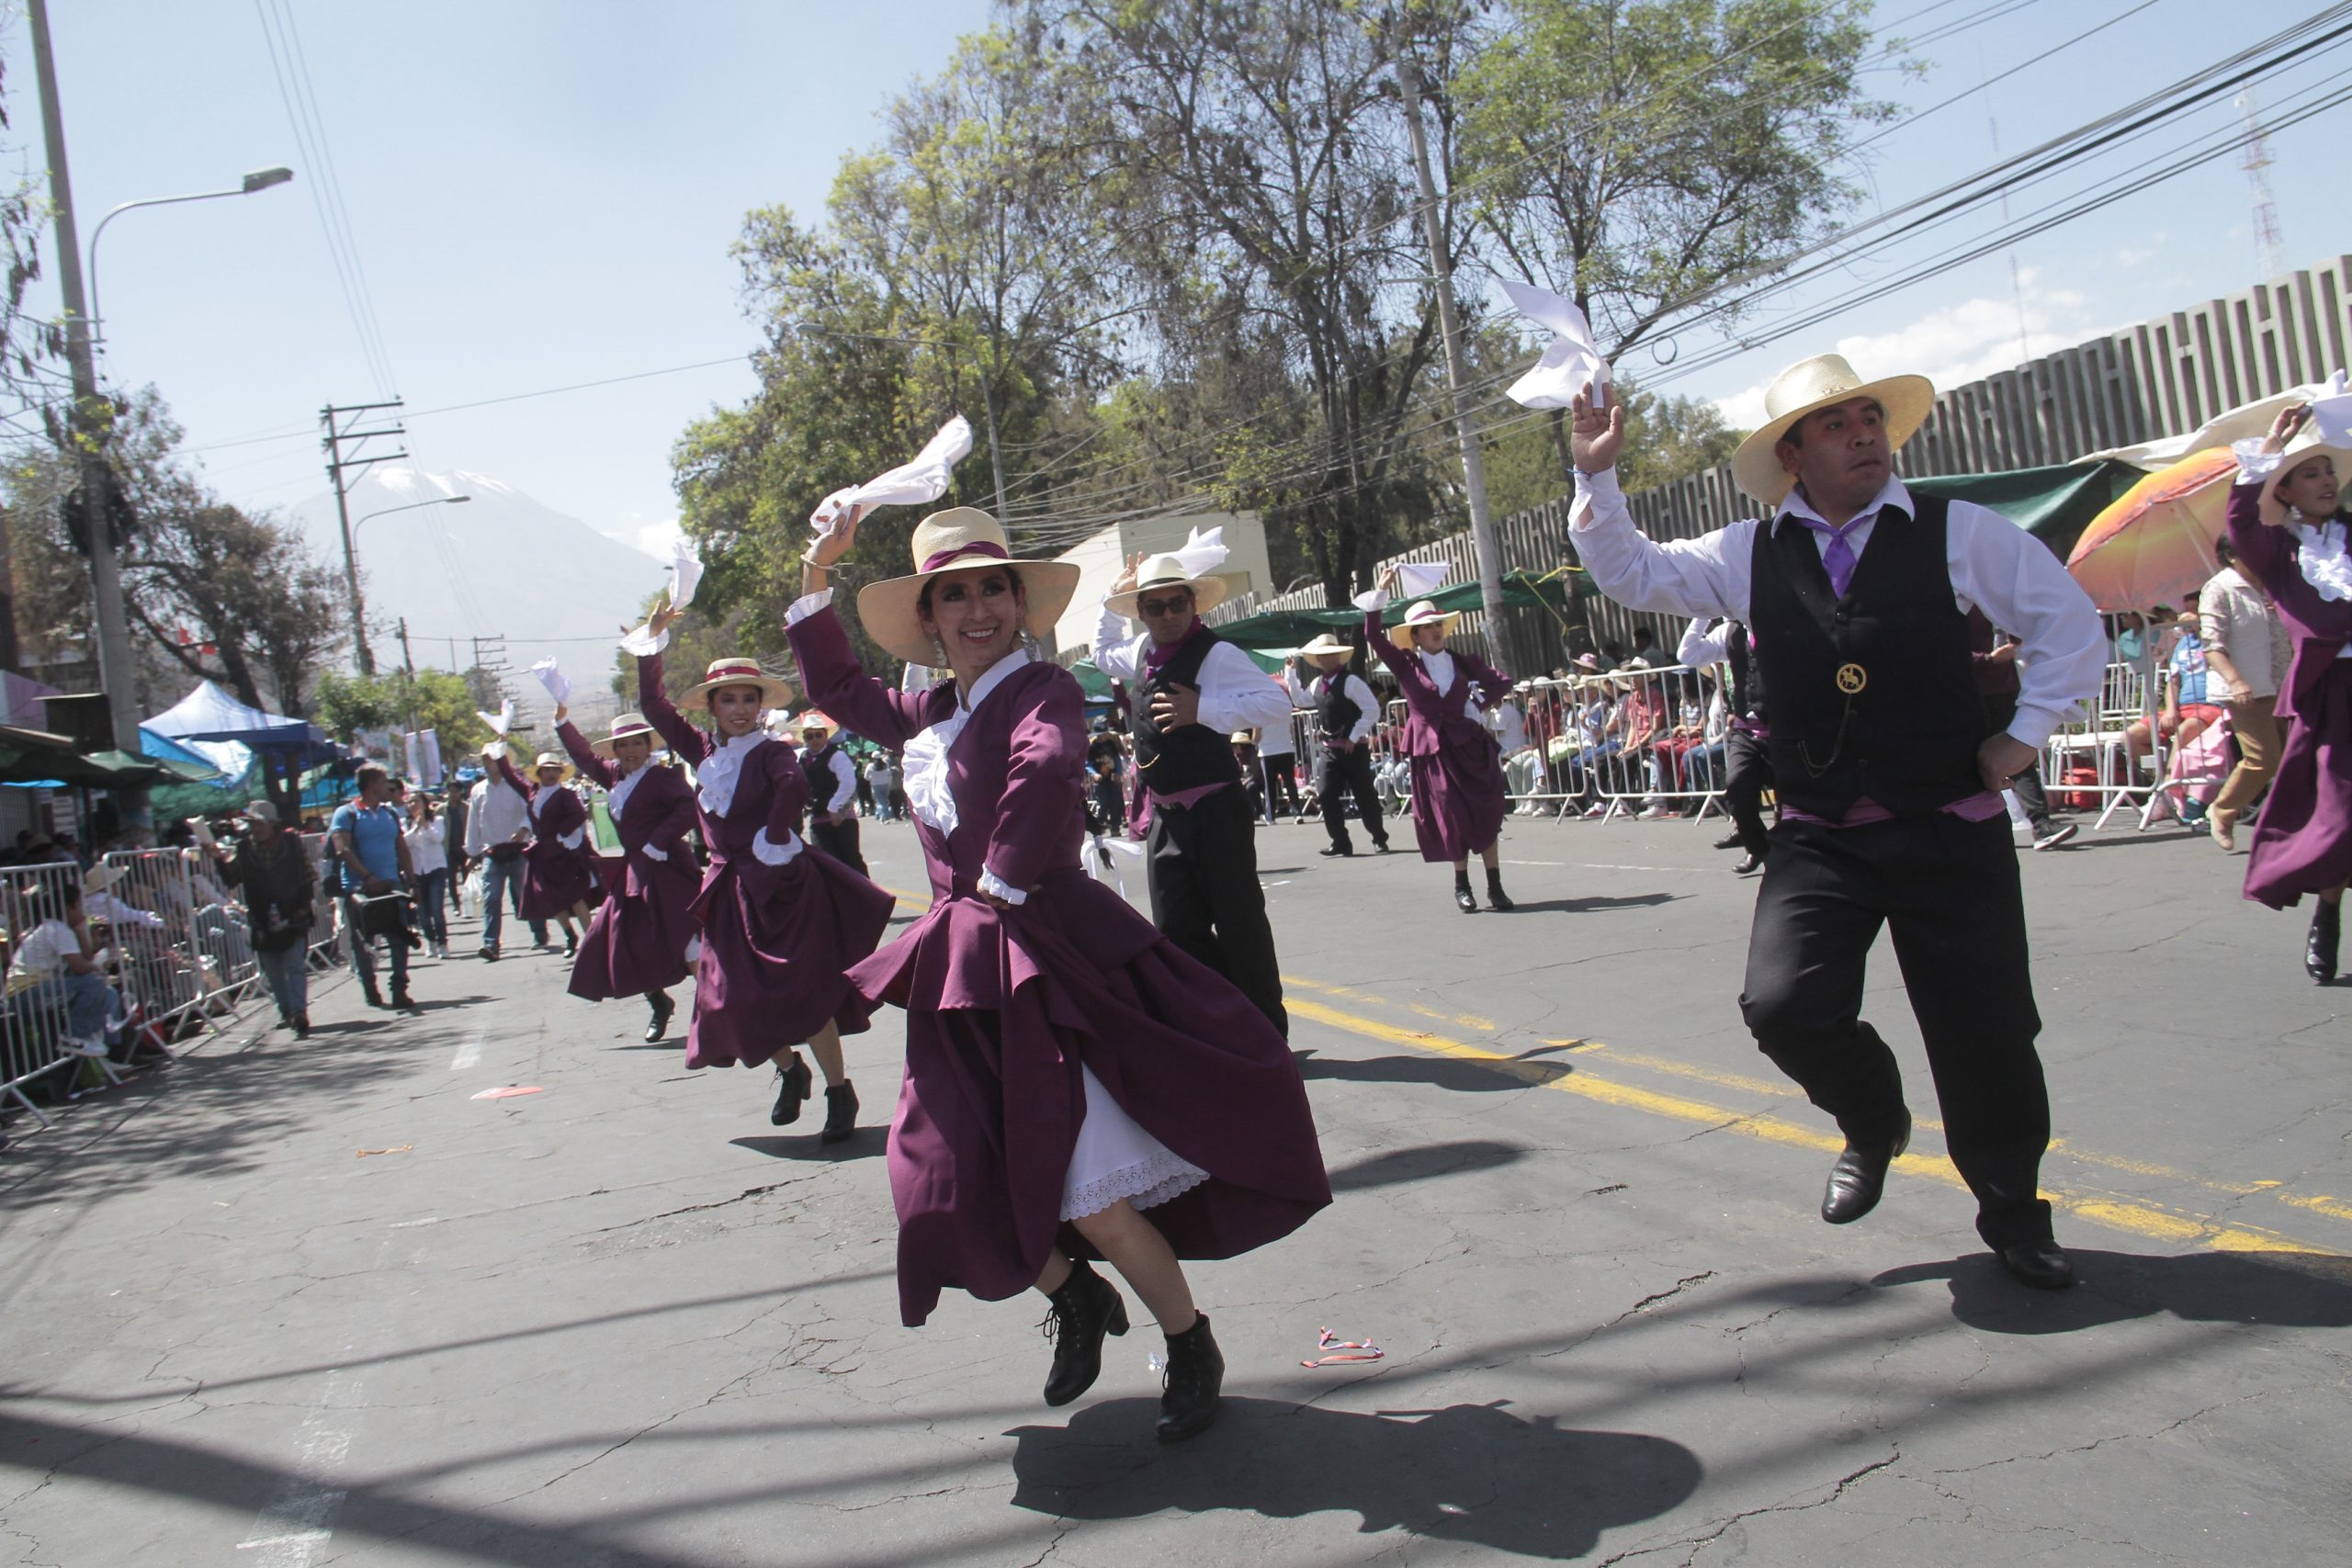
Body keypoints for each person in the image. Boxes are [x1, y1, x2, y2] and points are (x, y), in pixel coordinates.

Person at [790, 502, 1330, 1444]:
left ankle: (1188, 1340)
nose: (976, 609)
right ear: (928, 618)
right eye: (951, 595)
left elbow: (1046, 768)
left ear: (1018, 601)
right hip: (965, 962)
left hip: (1042, 947)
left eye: (991, 588)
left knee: (1096, 1194)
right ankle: (1073, 1297)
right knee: (940, 1175)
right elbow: (838, 684)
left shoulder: (1039, 687)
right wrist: (814, 578)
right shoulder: (929, 707)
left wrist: (1000, 876)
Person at [1567, 353, 2105, 1291]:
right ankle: (1871, 1117)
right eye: (1835, 424)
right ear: (1792, 455)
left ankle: (2015, 1214)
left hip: (1946, 819)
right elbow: (1630, 572)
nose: (1863, 434)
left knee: (1986, 1033)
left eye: (1869, 418)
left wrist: (2023, 737)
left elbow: (2068, 622)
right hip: (1821, 829)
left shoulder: (1957, 532)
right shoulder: (1745, 553)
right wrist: (1595, 472)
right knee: (1783, 1006)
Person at [635, 616, 895, 1139]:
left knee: (805, 994)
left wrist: (776, 833)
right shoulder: (703, 753)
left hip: (782, 889)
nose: (738, 710)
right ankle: (788, 1068)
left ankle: (839, 1091)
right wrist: (651, 647)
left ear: (761, 705)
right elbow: (654, 709)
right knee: (728, 999)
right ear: (712, 707)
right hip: (729, 892)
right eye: (727, 701)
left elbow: (793, 785)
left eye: (747, 700)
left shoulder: (773, 750)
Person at [1092, 549, 1294, 1035]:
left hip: (1217, 810)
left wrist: (1204, 709)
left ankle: (1266, 1032)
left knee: (1239, 921)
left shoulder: (1218, 655)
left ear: (1192, 606)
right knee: (1175, 932)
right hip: (1166, 816)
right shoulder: (1139, 651)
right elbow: (1102, 651)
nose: (1167, 615)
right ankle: (1221, 1022)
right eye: (1155, 606)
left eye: (1176, 604)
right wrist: (1109, 596)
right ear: (1141, 611)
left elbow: (1276, 703)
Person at [2224, 402, 2352, 982]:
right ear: (2288, 491)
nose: (2324, 480)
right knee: (2339, 816)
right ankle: (2328, 912)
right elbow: (2241, 523)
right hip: (2336, 695)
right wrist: (2270, 449)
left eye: (2328, 469)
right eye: (2309, 473)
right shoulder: (2280, 554)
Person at [1358, 574, 1517, 912]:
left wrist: (1477, 704)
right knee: (1453, 815)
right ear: (1414, 636)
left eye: (1438, 624)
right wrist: (1382, 593)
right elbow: (1372, 635)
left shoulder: (1462, 662)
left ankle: (1495, 885)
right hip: (1434, 752)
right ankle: (1462, 884)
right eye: (1427, 626)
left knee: (1487, 813)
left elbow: (1502, 683)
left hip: (1470, 746)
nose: (1435, 630)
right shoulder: (1406, 664)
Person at [555, 705, 700, 1043]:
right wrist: (562, 721)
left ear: (648, 746)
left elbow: (689, 807)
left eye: (637, 743)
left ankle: (719, 1007)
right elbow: (584, 757)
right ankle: (658, 1001)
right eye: (623, 745)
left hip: (667, 868)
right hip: (635, 871)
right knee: (619, 940)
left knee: (685, 937)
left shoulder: (662, 778)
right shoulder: (614, 776)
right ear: (616, 751)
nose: (630, 751)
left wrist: (659, 840)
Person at [2199, 535, 2291, 852]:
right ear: (2230, 555)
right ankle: (2223, 810)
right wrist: (2236, 681)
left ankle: (2297, 825)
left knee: (2298, 758)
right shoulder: (2219, 588)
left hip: (2285, 682)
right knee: (2263, 759)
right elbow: (2212, 645)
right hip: (2248, 689)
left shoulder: (2272, 585)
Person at [1972, 610, 2077, 851]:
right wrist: (1987, 660)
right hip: (1967, 692)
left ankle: (2042, 825)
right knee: (1964, 761)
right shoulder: (1953, 596)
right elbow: (1941, 651)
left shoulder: (1997, 599)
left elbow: (2021, 633)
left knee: (2018, 760)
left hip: (2002, 688)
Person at [489, 748, 600, 958]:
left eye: (554, 770)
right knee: (550, 898)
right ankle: (570, 935)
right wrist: (500, 754)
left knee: (575, 897)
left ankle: (593, 939)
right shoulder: (532, 792)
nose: (550, 774)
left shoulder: (565, 795)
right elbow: (511, 778)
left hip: (564, 853)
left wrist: (562, 834)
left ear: (560, 774)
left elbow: (578, 815)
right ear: (539, 773)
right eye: (546, 770)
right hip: (543, 854)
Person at [1680, 617, 1770, 873]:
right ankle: (1758, 847)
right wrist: (1703, 615)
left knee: (1789, 796)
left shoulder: (1772, 617)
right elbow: (1687, 653)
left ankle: (1787, 854)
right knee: (1736, 786)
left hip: (1782, 722)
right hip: (1746, 726)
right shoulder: (1727, 631)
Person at [1288, 632, 1390, 857]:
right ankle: (1340, 841)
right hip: (1330, 748)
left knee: (1364, 795)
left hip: (1354, 748)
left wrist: (1354, 737)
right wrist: (1291, 672)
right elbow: (1300, 700)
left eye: (1331, 655)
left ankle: (1378, 837)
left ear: (1339, 657)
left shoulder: (1351, 682)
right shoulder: (1316, 684)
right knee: (1325, 793)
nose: (1327, 659)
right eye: (1322, 656)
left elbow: (1372, 709)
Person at [220, 800, 316, 1037]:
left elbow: (307, 875)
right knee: (272, 969)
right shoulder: (243, 849)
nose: (255, 828)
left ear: (273, 824)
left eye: (259, 823)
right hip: (262, 916)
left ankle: (299, 1012)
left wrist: (303, 906)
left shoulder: (292, 843)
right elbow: (231, 878)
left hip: (293, 912)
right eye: (252, 824)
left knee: (294, 965)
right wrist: (215, 858)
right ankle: (287, 1011)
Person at [328, 763, 417, 1010]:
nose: (388, 786)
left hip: (391, 885)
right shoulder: (346, 814)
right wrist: (367, 876)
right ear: (371, 785)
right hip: (360, 890)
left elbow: (402, 848)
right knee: (363, 943)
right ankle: (369, 985)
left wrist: (411, 881)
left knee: (400, 937)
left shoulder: (390, 815)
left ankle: (399, 987)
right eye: (383, 781)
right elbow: (342, 849)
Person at [6, 881, 119, 1056]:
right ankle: (75, 1035)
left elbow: (86, 957)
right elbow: (81, 967)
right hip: (25, 993)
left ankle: (112, 1051)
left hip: (39, 989)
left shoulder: (63, 929)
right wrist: (97, 967)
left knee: (108, 992)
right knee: (93, 983)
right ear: (70, 907)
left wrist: (81, 930)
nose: (84, 909)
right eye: (80, 904)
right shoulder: (56, 929)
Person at [464, 762, 546, 959]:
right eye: (484, 759)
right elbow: (474, 821)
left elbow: (530, 810)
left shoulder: (516, 786)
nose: (488, 765)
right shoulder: (478, 790)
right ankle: (491, 944)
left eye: (491, 760)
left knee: (524, 894)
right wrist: (472, 852)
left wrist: (525, 828)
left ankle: (539, 931)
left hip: (517, 850)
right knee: (491, 898)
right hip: (492, 853)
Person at [797, 714, 868, 874]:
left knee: (851, 860)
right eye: (809, 736)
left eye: (818, 735)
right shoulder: (803, 759)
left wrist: (834, 807)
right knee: (826, 864)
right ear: (805, 739)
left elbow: (848, 783)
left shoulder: (837, 755)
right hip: (817, 818)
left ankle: (870, 898)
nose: (814, 739)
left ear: (826, 735)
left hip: (841, 818)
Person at [403, 795, 451, 959]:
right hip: (417, 871)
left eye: (415, 801)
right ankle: (431, 941)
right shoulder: (405, 823)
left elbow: (438, 838)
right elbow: (404, 843)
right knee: (422, 912)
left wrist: (425, 824)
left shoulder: (437, 819)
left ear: (424, 804)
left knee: (436, 908)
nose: (412, 804)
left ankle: (442, 943)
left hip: (436, 868)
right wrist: (415, 827)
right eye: (410, 802)